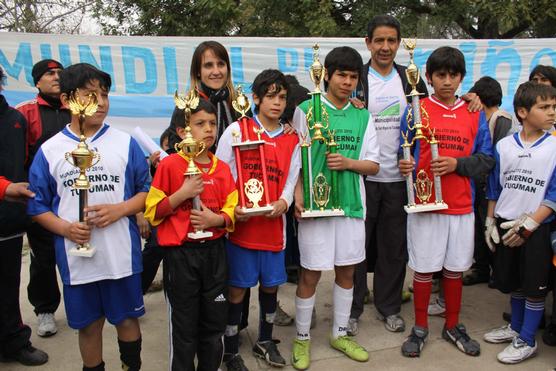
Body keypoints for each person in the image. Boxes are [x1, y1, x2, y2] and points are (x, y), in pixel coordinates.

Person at [27, 63, 149, 371]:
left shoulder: (125, 143)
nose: (102, 102)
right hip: (77, 260)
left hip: (120, 255)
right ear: (68, 100)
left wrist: (120, 210)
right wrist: (66, 228)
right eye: (90, 94)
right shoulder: (51, 150)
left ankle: (130, 365)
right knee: (89, 326)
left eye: (105, 94)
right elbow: (37, 206)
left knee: (127, 319)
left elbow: (148, 192)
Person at [398, 46, 494, 358]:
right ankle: (421, 326)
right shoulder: (416, 108)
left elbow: (487, 159)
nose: (448, 81)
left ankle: (452, 324)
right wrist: (405, 167)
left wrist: (457, 165)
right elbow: (405, 150)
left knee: (454, 270)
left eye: (454, 75)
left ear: (462, 78)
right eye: (441, 75)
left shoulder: (474, 112)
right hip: (426, 205)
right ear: (428, 77)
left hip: (461, 205)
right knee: (424, 270)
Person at [291, 46, 380, 370]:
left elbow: (373, 165)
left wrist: (348, 162)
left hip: (351, 207)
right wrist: (298, 196)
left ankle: (339, 333)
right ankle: (302, 339)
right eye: (341, 74)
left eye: (353, 76)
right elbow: (296, 162)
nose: (347, 82)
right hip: (316, 208)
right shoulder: (306, 109)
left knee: (347, 272)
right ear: (326, 74)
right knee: (311, 273)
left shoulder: (362, 115)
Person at [348, 14, 428, 336]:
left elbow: (428, 118)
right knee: (356, 248)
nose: (385, 47)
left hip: (398, 179)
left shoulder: (410, 79)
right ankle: (351, 308)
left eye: (391, 41)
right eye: (378, 40)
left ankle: (389, 306)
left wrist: (472, 99)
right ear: (367, 43)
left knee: (394, 248)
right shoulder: (356, 78)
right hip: (362, 178)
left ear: (399, 44)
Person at [216, 69, 300, 370]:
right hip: (241, 228)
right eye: (270, 96)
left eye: (282, 97)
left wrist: (284, 201)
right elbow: (222, 173)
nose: (276, 103)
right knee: (237, 289)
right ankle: (229, 348)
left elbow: (292, 178)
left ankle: (265, 340)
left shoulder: (292, 138)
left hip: (273, 229)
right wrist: (232, 205)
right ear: (255, 98)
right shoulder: (237, 131)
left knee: (270, 287)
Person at [145, 98, 237, 371]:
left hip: (215, 255)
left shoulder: (221, 169)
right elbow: (153, 211)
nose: (208, 129)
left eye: (212, 123)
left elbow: (233, 211)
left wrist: (215, 219)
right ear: (183, 130)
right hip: (181, 257)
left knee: (214, 326)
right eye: (200, 124)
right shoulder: (171, 165)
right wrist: (181, 195)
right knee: (184, 330)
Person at [483, 81, 556, 364]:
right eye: (544, 107)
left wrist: (529, 225)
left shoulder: (553, 146)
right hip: (505, 222)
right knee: (513, 280)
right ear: (523, 112)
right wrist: (490, 220)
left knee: (534, 284)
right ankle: (514, 326)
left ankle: (527, 339)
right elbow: (494, 187)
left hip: (535, 227)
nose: (552, 113)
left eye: (554, 107)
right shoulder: (504, 146)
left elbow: (553, 194)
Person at [16, 59, 70, 338]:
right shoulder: (25, 113)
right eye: (50, 74)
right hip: (42, 198)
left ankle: (79, 305)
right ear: (37, 81)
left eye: (60, 73)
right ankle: (45, 310)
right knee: (43, 256)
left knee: (78, 250)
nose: (56, 77)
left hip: (75, 195)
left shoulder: (77, 108)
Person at [0, 67, 49, 366]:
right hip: (6, 196)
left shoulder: (15, 120)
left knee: (8, 283)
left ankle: (14, 340)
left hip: (8, 219)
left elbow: (29, 163)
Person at [463, 76, 514, 287]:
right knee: (478, 226)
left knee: (489, 226)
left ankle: (492, 270)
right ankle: (481, 267)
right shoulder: (481, 117)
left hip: (491, 184)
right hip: (479, 182)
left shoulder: (500, 119)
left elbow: (497, 155)